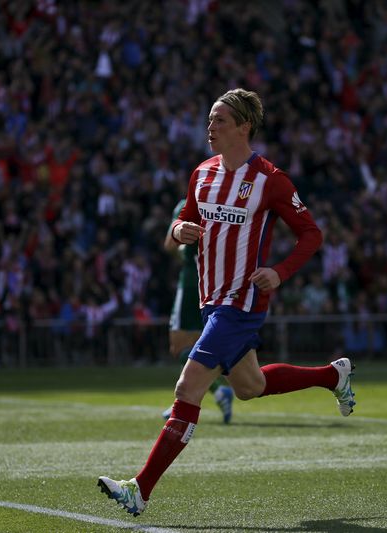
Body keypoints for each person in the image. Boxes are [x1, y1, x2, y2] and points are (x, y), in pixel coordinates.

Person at [97, 88, 356, 516]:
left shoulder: (270, 179)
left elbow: (311, 234)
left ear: (243, 127)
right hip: (211, 300)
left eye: (219, 120)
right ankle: (333, 375)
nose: (209, 127)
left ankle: (139, 490)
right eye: (210, 119)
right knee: (249, 387)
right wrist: (181, 228)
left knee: (187, 388)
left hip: (242, 302)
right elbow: (189, 220)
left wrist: (279, 272)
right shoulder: (201, 174)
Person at [161, 198, 234, 424]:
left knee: (180, 346)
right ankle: (188, 399)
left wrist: (183, 253)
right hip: (221, 283)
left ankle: (218, 389)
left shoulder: (187, 204)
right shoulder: (230, 202)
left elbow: (170, 244)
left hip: (193, 281)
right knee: (204, 344)